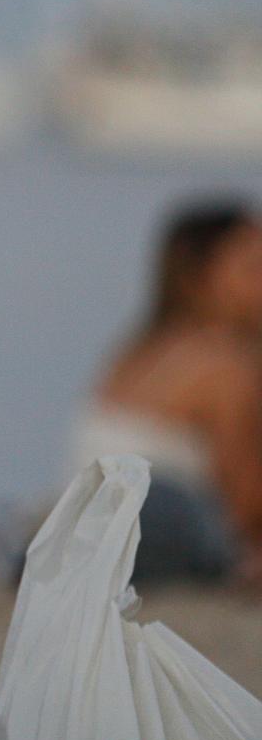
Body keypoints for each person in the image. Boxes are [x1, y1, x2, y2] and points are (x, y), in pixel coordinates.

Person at [72, 198, 262, 584]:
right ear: (198, 276)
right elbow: (247, 504)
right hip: (159, 541)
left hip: (87, 536)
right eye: (252, 268)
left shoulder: (137, 351)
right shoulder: (224, 364)